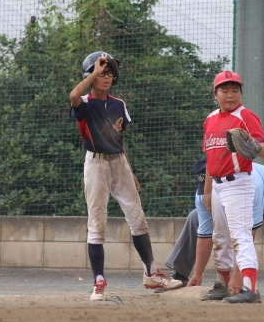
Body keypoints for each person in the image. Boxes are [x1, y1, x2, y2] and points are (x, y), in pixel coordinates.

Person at [69, 51, 183, 302]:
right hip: (96, 164)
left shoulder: (119, 104)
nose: (107, 76)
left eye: (110, 72)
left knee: (138, 219)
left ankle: (151, 273)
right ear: (90, 74)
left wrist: (130, 171)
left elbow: (119, 141)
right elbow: (74, 96)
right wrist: (93, 73)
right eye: (102, 72)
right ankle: (99, 281)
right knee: (97, 223)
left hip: (119, 163)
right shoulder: (86, 102)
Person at [164, 159, 264, 300]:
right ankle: (179, 275)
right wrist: (198, 274)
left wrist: (239, 275)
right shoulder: (204, 193)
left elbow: (247, 234)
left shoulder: (250, 183)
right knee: (195, 217)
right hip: (243, 197)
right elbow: (205, 235)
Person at [202, 70, 264, 303]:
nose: (230, 95)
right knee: (220, 236)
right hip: (217, 185)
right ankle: (221, 284)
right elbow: (210, 158)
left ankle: (250, 288)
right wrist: (207, 191)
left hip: (238, 182)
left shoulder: (246, 116)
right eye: (225, 90)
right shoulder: (210, 119)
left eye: (235, 90)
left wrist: (253, 146)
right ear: (215, 94)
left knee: (240, 235)